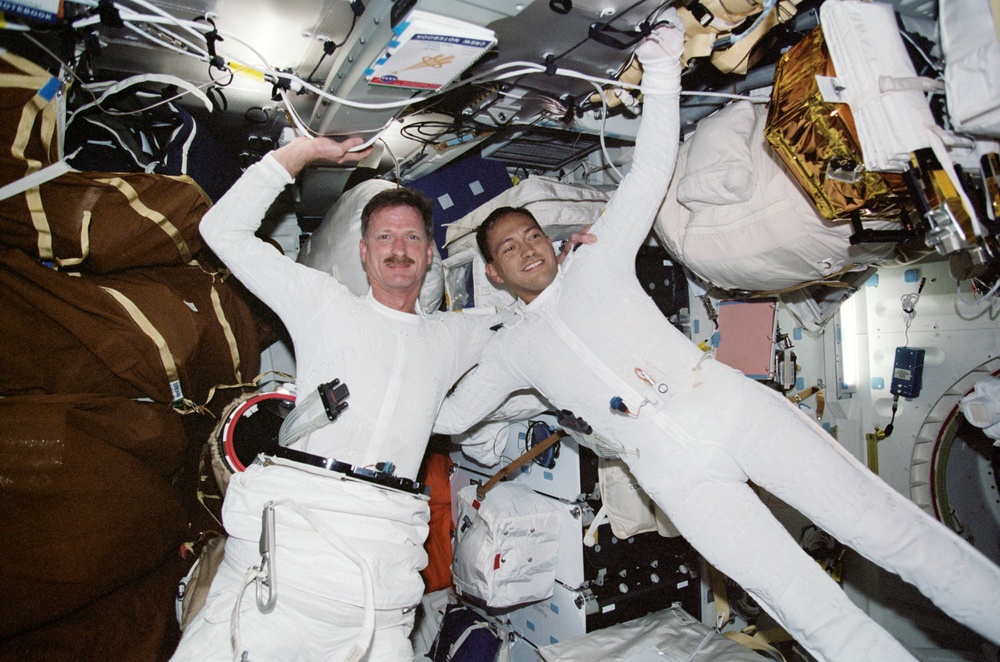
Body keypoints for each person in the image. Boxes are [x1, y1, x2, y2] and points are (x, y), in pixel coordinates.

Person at [432, 13, 1000, 662]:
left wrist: (666, 66)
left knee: (895, 534)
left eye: (532, 234)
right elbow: (449, 417)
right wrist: (422, 350)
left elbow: (649, 170)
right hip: (676, 478)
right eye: (510, 247)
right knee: (804, 607)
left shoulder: (597, 259)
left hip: (734, 412)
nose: (528, 247)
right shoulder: (510, 350)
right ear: (498, 274)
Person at [171, 135, 520, 661]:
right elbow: (221, 230)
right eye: (383, 237)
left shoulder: (453, 336)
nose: (398, 249)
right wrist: (302, 154)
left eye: (410, 238)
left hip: (381, 581)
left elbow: (529, 323)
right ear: (363, 251)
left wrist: (566, 263)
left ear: (430, 254)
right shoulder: (324, 303)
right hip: (286, 556)